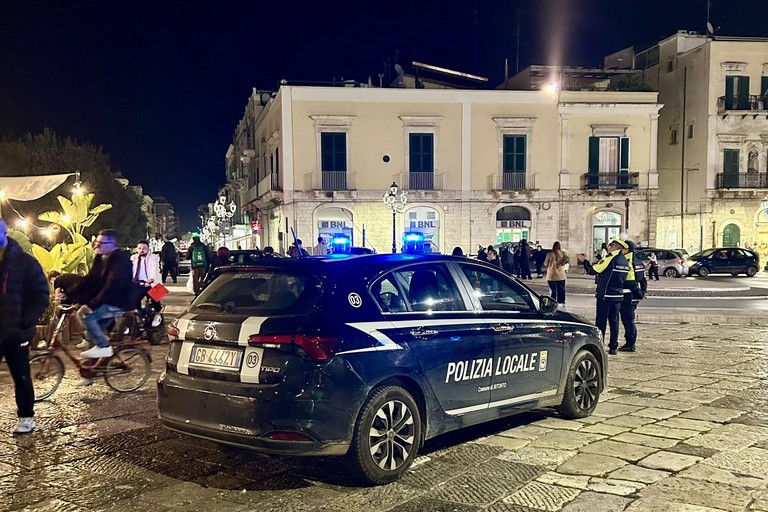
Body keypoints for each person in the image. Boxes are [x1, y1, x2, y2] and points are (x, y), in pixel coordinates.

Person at [0, 219, 50, 434]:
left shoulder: (25, 263)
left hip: (16, 332)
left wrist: (26, 320)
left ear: (4, 233)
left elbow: (41, 294)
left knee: (21, 375)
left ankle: (26, 417)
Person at [76, 229, 134, 360]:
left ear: (113, 244)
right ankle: (93, 371)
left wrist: (92, 304)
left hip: (117, 302)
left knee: (87, 318)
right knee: (91, 334)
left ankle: (104, 346)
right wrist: (75, 292)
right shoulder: (100, 258)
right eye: (96, 242)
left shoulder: (121, 261)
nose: (97, 245)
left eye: (101, 243)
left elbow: (111, 287)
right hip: (106, 300)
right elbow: (92, 280)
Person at [579, 237, 629, 355]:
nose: (609, 247)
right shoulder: (624, 261)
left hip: (605, 294)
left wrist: (584, 261)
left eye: (611, 245)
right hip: (618, 295)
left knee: (601, 321)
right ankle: (613, 346)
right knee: (614, 321)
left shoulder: (610, 258)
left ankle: (599, 345)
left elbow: (594, 270)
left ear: (616, 246)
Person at [130, 239, 163, 340]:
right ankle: (138, 319)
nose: (141, 250)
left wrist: (151, 278)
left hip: (152, 283)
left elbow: (155, 269)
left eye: (144, 248)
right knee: (133, 300)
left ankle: (158, 313)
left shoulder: (154, 257)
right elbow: (130, 270)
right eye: (139, 248)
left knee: (156, 298)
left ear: (148, 249)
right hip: (139, 283)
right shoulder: (133, 258)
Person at [619, 240, 647, 353]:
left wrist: (637, 291)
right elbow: (644, 280)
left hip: (628, 294)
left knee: (628, 320)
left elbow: (630, 281)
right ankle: (630, 342)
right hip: (635, 295)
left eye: (621, 248)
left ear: (626, 249)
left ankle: (630, 343)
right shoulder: (638, 261)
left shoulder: (627, 261)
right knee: (630, 319)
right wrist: (642, 292)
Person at [544, 241, 569, 307]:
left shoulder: (549, 254)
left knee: (552, 290)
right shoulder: (563, 254)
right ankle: (561, 302)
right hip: (561, 275)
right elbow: (567, 260)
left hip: (551, 275)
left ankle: (553, 303)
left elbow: (545, 264)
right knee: (561, 290)